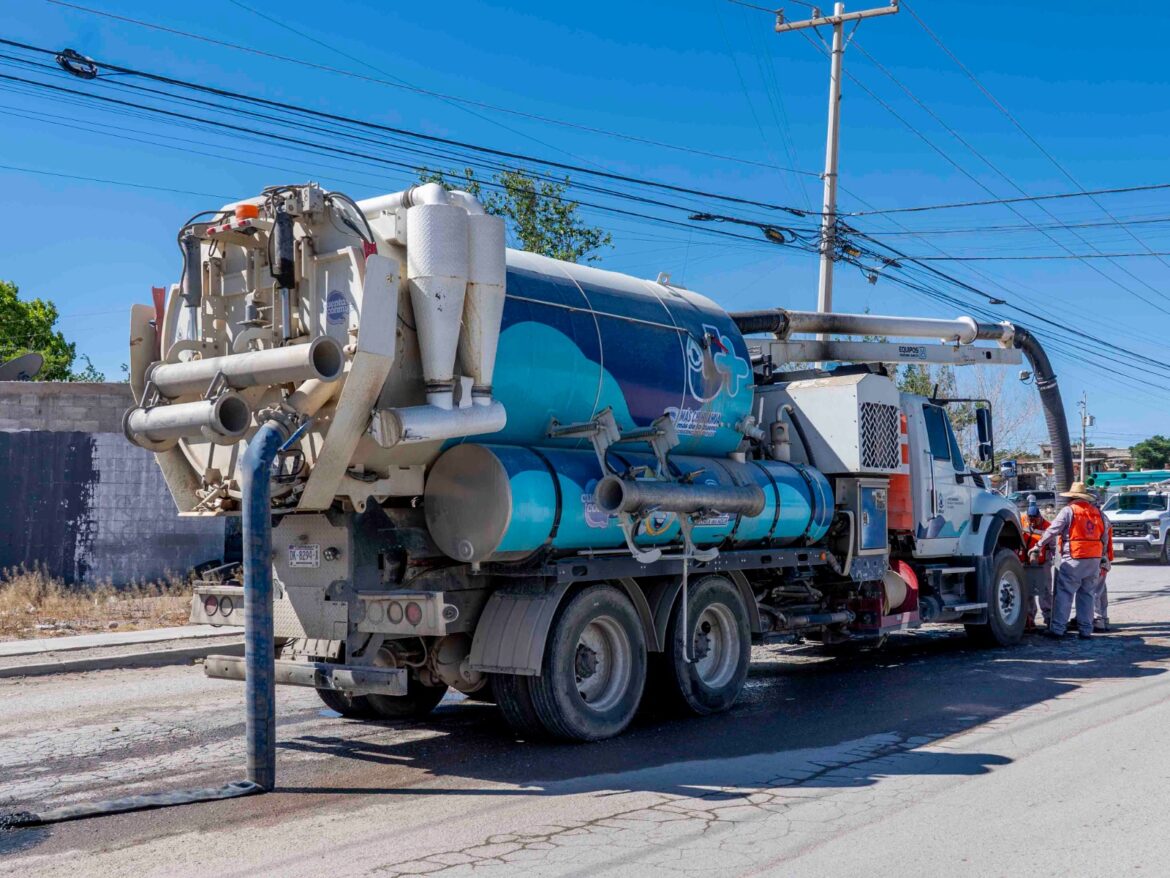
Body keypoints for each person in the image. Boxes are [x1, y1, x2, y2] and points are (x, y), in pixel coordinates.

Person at [1029, 482, 1108, 640]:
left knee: (1065, 593)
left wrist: (1038, 545)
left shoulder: (1069, 511)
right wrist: (1102, 556)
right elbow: (1104, 536)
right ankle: (1086, 630)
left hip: (1074, 556)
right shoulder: (1098, 513)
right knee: (1087, 594)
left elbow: (1053, 530)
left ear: (1071, 497)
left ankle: (1058, 629)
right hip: (1094, 558)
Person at [1020, 495, 1053, 629]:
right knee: (1028, 591)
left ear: (1040, 517)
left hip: (1042, 564)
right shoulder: (1022, 521)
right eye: (1030, 519)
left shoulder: (1048, 526)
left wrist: (1048, 560)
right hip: (1025, 563)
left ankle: (1049, 618)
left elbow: (1053, 547)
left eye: (1035, 519)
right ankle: (1029, 619)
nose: (1033, 522)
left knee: (1045, 591)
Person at [1095, 513, 1114, 632]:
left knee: (1094, 590)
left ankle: (1097, 619)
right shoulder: (1103, 517)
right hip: (1103, 558)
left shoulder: (1096, 517)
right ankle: (1103, 618)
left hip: (1098, 558)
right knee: (1101, 590)